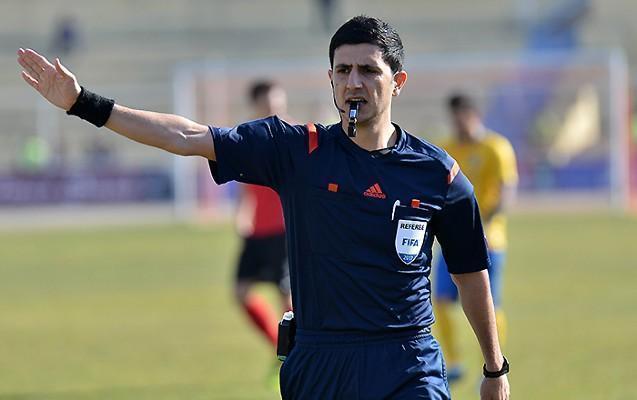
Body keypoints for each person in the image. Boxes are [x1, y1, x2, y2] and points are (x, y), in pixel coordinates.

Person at [17, 15, 510, 400]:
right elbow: (187, 136)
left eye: (368, 70)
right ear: (330, 79)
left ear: (397, 81)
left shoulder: (438, 174)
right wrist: (83, 103)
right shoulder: (296, 150)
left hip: (407, 359)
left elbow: (471, 274)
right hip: (321, 361)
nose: (353, 82)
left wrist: (494, 368)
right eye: (343, 71)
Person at [433, 93, 518, 384]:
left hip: (490, 241)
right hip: (452, 242)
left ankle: (494, 361)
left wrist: (486, 222)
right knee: (440, 299)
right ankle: (453, 361)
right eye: (454, 118)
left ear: (474, 115)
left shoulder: (495, 148)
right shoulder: (446, 149)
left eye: (463, 117)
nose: (459, 124)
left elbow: (506, 189)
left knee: (490, 304)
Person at [233, 80, 292, 352]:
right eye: (268, 105)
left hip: (285, 229)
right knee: (241, 292)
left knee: (287, 296)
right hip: (258, 230)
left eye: (277, 104)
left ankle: (292, 353)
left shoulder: (295, 136)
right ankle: (279, 347)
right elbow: (244, 187)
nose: (274, 110)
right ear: (255, 106)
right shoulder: (247, 139)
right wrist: (242, 215)